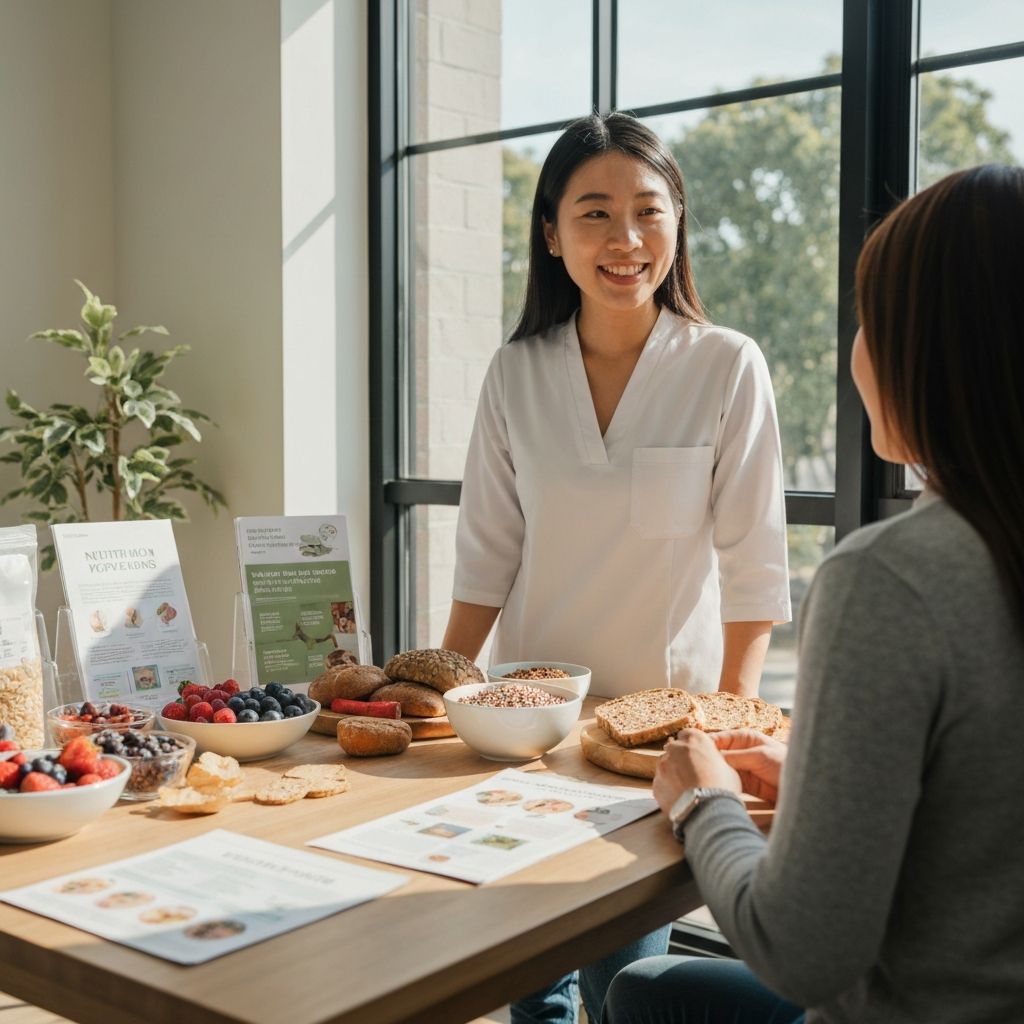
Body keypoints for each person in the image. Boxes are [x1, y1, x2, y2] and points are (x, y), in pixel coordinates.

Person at [603, 163, 1024, 1024]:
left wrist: (700, 797)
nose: (856, 351)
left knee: (643, 995)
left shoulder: (891, 579)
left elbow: (800, 950)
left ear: (932, 352)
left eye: (871, 320)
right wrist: (827, 784)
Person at [442, 112, 791, 1024]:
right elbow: (487, 550)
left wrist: (725, 731)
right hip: (532, 729)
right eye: (594, 213)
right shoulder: (516, 372)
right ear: (552, 233)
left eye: (649, 210)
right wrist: (443, 698)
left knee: (620, 983)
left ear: (678, 222)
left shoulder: (725, 366)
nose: (626, 239)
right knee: (526, 979)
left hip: (656, 747)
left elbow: (753, 563)